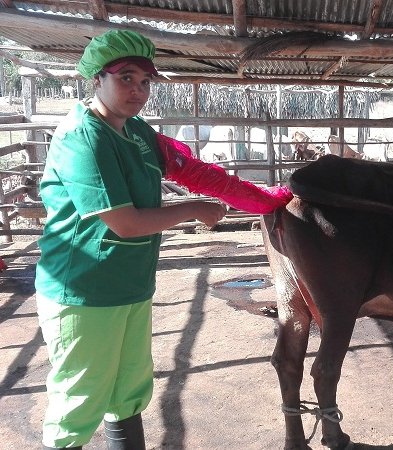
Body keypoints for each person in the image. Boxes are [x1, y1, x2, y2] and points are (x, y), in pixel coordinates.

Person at [34, 29, 291, 450]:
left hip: (130, 283)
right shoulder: (83, 137)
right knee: (79, 398)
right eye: (126, 77)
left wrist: (265, 200)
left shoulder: (137, 132)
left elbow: (194, 170)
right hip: (84, 288)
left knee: (129, 387)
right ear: (96, 79)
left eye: (146, 81)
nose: (138, 89)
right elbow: (125, 223)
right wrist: (193, 208)